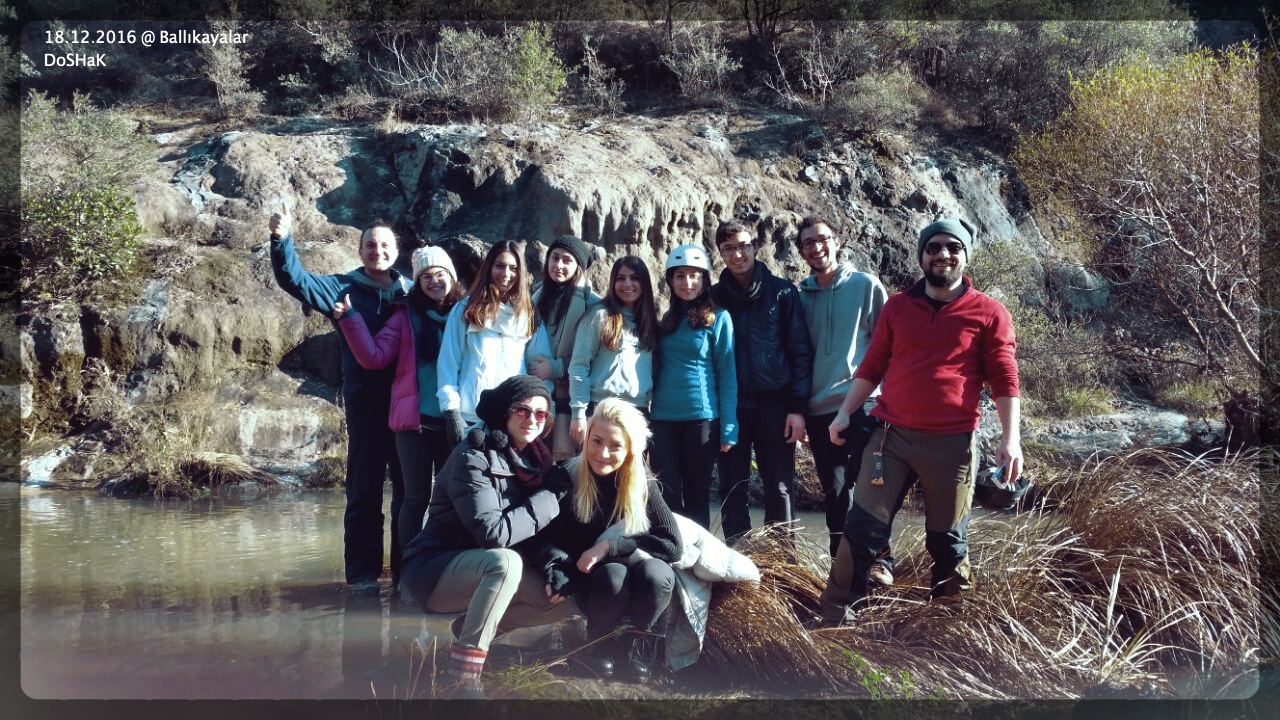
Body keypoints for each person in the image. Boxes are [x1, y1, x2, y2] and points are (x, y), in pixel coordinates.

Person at [814, 217, 1022, 627]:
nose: (943, 254)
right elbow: (874, 363)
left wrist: (1010, 439)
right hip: (890, 437)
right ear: (922, 255)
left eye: (953, 248)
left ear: (965, 256)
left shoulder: (989, 312)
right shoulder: (898, 306)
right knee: (861, 529)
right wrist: (844, 411)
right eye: (934, 247)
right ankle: (835, 617)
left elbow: (1004, 377)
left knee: (948, 541)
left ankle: (947, 623)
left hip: (952, 443)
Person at [398, 375, 579, 699]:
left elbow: (525, 530)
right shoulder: (473, 456)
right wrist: (550, 496)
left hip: (484, 570)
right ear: (505, 413)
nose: (532, 420)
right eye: (523, 411)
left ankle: (471, 631)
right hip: (434, 570)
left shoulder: (535, 461)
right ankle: (463, 677)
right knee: (505, 563)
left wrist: (555, 561)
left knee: (566, 597)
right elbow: (494, 535)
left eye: (540, 413)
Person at [268, 208, 409, 594]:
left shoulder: (410, 292)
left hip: (406, 404)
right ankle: (363, 578)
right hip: (365, 404)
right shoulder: (342, 288)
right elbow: (295, 280)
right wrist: (281, 240)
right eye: (370, 245)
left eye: (384, 245)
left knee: (408, 491)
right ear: (360, 251)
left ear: (396, 251)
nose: (378, 251)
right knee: (364, 489)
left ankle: (406, 574)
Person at [533, 397, 682, 683]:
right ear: (586, 438)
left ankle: (636, 645)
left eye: (615, 446)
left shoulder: (642, 482)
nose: (603, 453)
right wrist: (557, 565)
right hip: (598, 583)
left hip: (637, 575)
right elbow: (540, 535)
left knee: (658, 574)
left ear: (630, 450)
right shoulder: (565, 475)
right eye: (597, 441)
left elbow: (672, 545)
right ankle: (600, 642)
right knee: (614, 576)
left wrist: (609, 546)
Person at [334, 246, 464, 555]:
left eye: (440, 274)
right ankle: (409, 568)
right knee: (415, 500)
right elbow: (374, 356)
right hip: (413, 424)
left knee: (451, 499)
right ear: (417, 282)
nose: (434, 281)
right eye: (426, 276)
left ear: (451, 277)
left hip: (454, 421)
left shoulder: (465, 314)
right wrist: (350, 319)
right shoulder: (405, 314)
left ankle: (445, 564)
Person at [794, 216, 899, 584]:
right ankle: (841, 569)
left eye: (822, 239)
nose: (816, 247)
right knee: (836, 492)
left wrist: (891, 399)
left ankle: (880, 563)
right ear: (801, 251)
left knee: (872, 486)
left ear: (836, 241)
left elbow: (889, 345)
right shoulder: (801, 297)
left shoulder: (865, 286)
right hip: (819, 410)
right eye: (808, 242)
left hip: (864, 404)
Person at [710, 220, 812, 544]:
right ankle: (736, 558)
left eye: (743, 246)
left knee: (779, 487)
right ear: (721, 253)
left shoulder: (782, 292)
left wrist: (797, 407)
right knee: (732, 487)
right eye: (729, 249)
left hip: (776, 405)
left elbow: (800, 352)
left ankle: (781, 562)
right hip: (731, 407)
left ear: (755, 246)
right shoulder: (713, 298)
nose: (737, 254)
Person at [650, 244, 738, 530]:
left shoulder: (719, 318)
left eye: (694, 276)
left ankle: (697, 555)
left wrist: (729, 426)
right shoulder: (667, 320)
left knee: (697, 497)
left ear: (705, 279)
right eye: (680, 276)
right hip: (662, 419)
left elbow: (727, 375)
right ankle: (671, 551)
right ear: (670, 280)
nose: (687, 283)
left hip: (701, 420)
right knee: (666, 494)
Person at [437, 240, 553, 448]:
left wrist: (537, 412)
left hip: (513, 420)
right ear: (489, 267)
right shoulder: (466, 309)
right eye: (500, 265)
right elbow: (449, 363)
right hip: (470, 418)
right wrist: (451, 412)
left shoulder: (529, 315)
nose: (506, 274)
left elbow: (540, 371)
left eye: (513, 268)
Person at [567, 255, 660, 443]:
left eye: (634, 278)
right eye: (621, 278)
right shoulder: (599, 316)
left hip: (639, 411)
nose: (627, 284)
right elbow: (579, 366)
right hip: (601, 409)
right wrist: (578, 414)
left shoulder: (651, 323)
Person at [532, 235, 602, 461]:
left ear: (578, 266)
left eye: (567, 260)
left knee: (567, 465)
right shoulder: (535, 297)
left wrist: (556, 368)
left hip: (569, 398)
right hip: (536, 390)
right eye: (554, 258)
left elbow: (596, 358)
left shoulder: (592, 304)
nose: (558, 265)